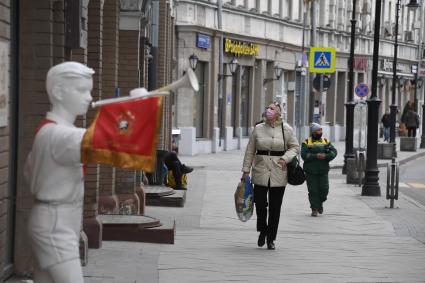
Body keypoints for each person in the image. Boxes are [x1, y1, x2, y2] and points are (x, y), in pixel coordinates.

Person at [24, 62, 95, 283]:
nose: (89, 97)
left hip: (54, 219)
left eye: (89, 90)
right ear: (58, 92)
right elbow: (114, 142)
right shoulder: (62, 135)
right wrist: (140, 105)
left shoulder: (49, 131)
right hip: (56, 223)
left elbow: (28, 172)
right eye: (82, 90)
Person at [241, 102, 300, 250]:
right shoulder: (258, 128)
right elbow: (250, 151)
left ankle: (271, 238)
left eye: (272, 108)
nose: (268, 110)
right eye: (267, 107)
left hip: (279, 171)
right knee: (260, 203)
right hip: (260, 170)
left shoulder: (286, 129)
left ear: (278, 113)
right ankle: (263, 230)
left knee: (275, 207)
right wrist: (245, 170)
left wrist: (285, 158)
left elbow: (295, 147)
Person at [301, 123, 337, 217]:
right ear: (313, 132)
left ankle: (320, 201)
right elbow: (304, 155)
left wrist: (326, 156)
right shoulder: (306, 142)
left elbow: (334, 152)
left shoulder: (325, 141)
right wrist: (315, 156)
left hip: (323, 170)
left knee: (325, 190)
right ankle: (314, 208)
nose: (320, 132)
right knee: (313, 190)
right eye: (318, 130)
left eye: (321, 130)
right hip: (310, 171)